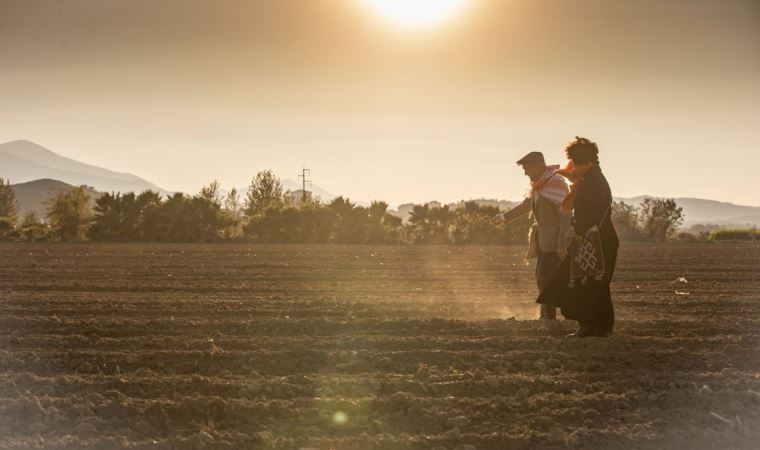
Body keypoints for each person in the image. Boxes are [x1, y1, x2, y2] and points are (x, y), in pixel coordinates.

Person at [537, 137, 619, 337]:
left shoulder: (595, 182)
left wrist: (578, 230)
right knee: (590, 282)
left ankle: (593, 327)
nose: (575, 168)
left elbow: (596, 212)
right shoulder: (590, 180)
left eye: (577, 163)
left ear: (589, 162)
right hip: (593, 238)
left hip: (597, 239)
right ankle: (597, 327)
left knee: (590, 282)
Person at [495, 151, 571, 320]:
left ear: (537, 165)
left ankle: (549, 317)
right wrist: (503, 217)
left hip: (554, 243)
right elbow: (526, 205)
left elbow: (565, 213)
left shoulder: (555, 182)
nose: (524, 172)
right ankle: (548, 315)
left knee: (546, 278)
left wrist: (561, 242)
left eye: (526, 168)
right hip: (544, 242)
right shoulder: (540, 184)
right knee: (543, 277)